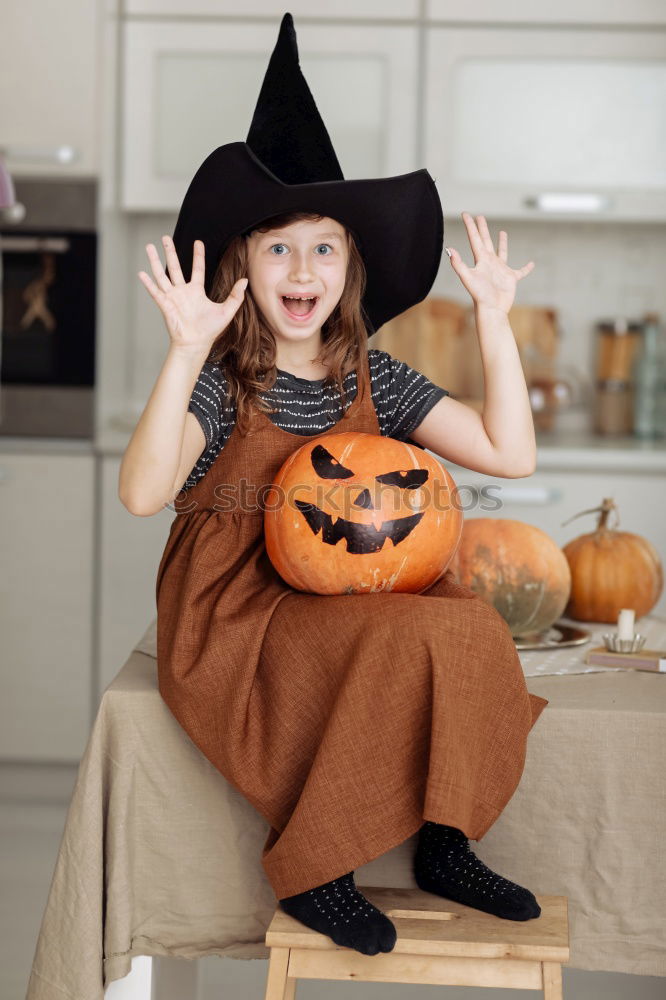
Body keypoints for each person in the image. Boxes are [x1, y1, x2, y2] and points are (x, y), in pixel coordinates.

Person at [118, 13, 548, 959]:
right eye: (277, 247)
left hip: (351, 584)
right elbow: (144, 493)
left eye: (324, 247)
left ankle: (446, 840)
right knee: (383, 640)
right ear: (242, 266)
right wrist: (186, 350)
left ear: (351, 267)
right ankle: (314, 863)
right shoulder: (225, 383)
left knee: (466, 623)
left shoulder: (375, 379)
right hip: (237, 606)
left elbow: (506, 455)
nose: (302, 268)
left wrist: (493, 322)